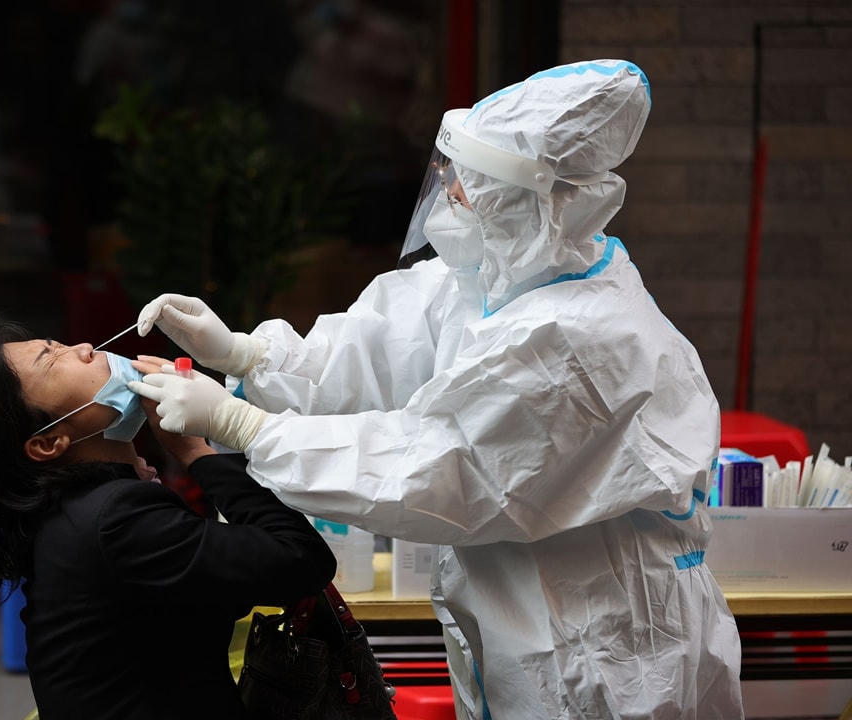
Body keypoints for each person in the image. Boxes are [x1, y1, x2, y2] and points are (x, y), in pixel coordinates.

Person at [129, 60, 744, 719]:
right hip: (530, 620)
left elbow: (439, 466)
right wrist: (246, 354)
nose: (447, 190)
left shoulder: (573, 338)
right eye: (448, 171)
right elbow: (376, 351)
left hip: (607, 645)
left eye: (467, 184)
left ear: (526, 202)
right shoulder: (492, 280)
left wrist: (246, 426)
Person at [0, 323, 335, 720]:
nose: (85, 348)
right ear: (48, 443)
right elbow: (302, 560)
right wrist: (195, 451)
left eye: (56, 343)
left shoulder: (82, 511)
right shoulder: (115, 520)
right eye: (52, 359)